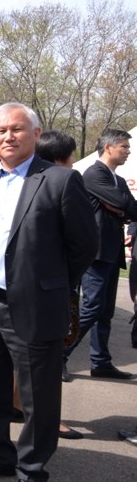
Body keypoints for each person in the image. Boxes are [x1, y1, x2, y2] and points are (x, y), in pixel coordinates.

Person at [0, 103, 97, 482]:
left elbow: (85, 245)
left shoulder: (60, 180)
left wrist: (51, 285)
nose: (8, 136)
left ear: (36, 134)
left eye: (17, 129)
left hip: (36, 304)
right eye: (0, 130)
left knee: (38, 394)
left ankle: (32, 471)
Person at [62, 128, 137, 381]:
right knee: (92, 307)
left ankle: (101, 362)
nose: (128, 151)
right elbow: (126, 204)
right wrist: (122, 207)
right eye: (124, 146)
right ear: (108, 147)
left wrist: (120, 208)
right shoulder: (94, 174)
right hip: (96, 253)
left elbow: (131, 209)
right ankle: (60, 355)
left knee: (105, 311)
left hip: (112, 252)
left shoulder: (118, 180)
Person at [23, 130, 83, 440]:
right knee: (36, 361)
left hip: (51, 285)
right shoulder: (16, 181)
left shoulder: (64, 181)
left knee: (39, 361)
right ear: (60, 158)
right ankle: (32, 413)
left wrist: (59, 280)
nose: (73, 161)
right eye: (71, 156)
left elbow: (83, 244)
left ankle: (42, 419)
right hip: (28, 290)